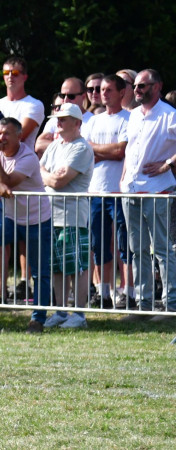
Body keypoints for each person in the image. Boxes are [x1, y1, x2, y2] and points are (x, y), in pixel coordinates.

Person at [0, 117, 53, 334]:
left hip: (37, 219)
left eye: (6, 134)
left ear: (18, 136)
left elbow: (7, 181)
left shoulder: (28, 156)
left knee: (40, 271)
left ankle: (37, 320)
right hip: (12, 218)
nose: (1, 138)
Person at [119, 69, 176, 319]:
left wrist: (167, 164)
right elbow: (130, 150)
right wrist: (123, 178)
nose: (137, 90)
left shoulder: (169, 114)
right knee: (137, 249)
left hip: (158, 190)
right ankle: (143, 304)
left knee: (162, 249)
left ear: (158, 86)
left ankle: (170, 304)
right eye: (136, 86)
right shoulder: (132, 116)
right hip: (130, 191)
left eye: (142, 86)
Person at [39, 103, 95, 329]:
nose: (58, 122)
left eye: (63, 119)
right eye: (57, 118)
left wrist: (48, 176)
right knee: (57, 267)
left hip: (73, 215)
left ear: (77, 123)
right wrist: (49, 175)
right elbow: (40, 172)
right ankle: (61, 311)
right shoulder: (54, 146)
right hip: (51, 214)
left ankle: (79, 315)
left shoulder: (81, 148)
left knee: (77, 267)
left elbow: (59, 181)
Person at [83, 74, 130, 310]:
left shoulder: (128, 119)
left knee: (123, 242)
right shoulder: (92, 121)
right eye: (102, 89)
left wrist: (97, 151)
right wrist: (105, 152)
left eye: (110, 89)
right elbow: (85, 150)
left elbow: (122, 151)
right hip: (96, 190)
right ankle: (102, 293)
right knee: (98, 243)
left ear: (122, 92)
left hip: (118, 190)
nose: (104, 93)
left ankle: (126, 291)